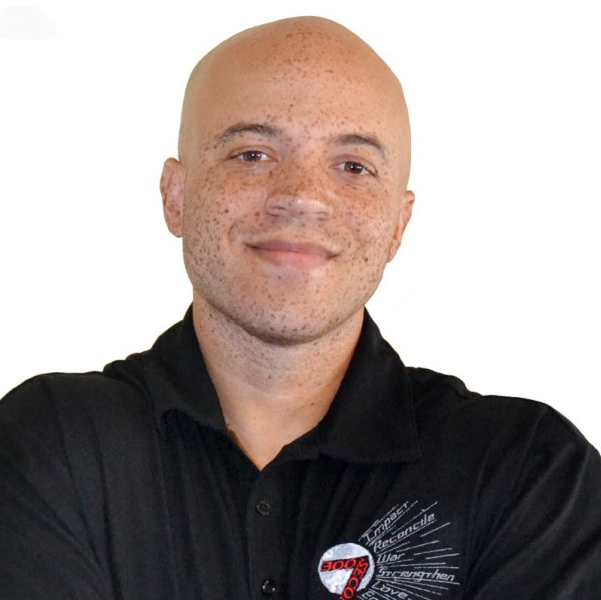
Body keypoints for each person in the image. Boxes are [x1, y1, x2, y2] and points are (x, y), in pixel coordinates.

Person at [0, 15, 599, 600]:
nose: (302, 196)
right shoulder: (49, 444)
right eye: (252, 154)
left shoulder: (526, 472)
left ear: (398, 224)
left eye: (353, 166)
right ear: (176, 196)